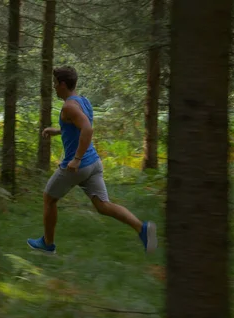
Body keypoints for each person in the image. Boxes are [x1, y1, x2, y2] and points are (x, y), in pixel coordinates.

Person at [27, 65, 158, 254]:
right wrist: (57, 131)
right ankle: (142, 228)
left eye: (55, 83)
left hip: (77, 166)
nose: (54, 87)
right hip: (94, 163)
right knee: (103, 205)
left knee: (49, 198)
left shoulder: (69, 106)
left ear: (62, 84)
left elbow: (88, 129)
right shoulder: (83, 101)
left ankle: (47, 244)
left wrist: (76, 159)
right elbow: (79, 126)